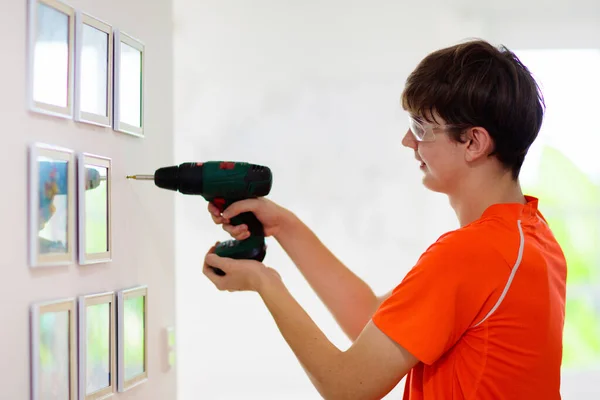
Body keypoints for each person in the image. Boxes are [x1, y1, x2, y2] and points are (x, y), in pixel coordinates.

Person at [202, 39, 567, 400]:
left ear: (473, 142)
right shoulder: (531, 237)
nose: (408, 141)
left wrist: (266, 283)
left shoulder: (472, 252)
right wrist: (284, 226)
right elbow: (370, 318)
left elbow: (346, 386)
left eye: (422, 128)